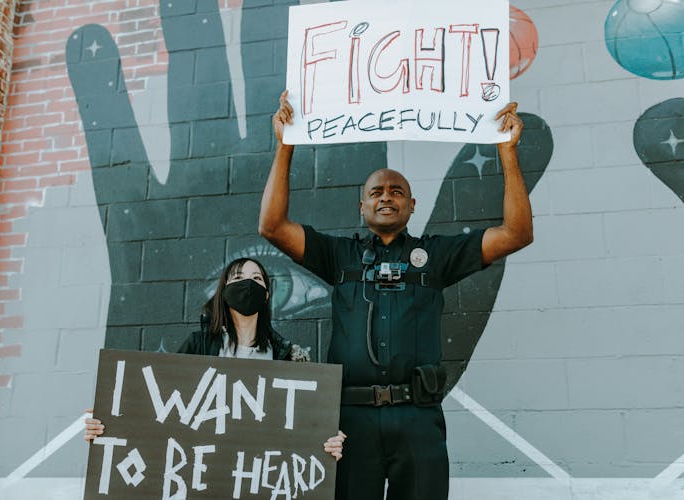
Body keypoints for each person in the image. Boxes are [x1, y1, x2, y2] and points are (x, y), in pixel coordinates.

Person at [259, 90, 533, 500]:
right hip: (351, 421)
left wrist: (506, 152)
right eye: (376, 192)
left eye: (396, 191)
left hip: (417, 417)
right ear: (362, 206)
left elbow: (516, 234)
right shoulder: (339, 255)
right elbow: (272, 226)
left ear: (411, 206)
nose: (386, 196)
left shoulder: (436, 256)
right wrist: (285, 147)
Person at [85, 257, 346, 461]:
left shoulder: (288, 357)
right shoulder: (198, 346)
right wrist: (109, 423)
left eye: (257, 278)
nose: (249, 283)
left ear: (266, 294)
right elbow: (159, 410)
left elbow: (303, 427)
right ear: (224, 291)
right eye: (239, 278)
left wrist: (327, 439)